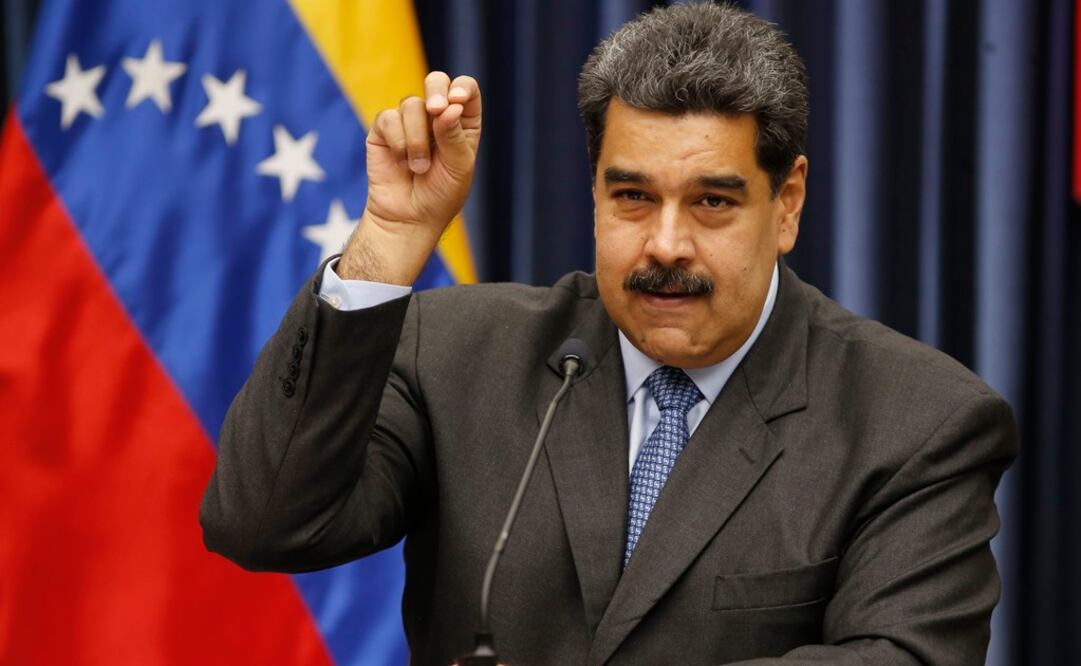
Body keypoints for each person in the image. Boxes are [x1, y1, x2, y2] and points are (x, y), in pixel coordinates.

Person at [200, 4, 1016, 664]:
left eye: (712, 202)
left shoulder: (914, 421)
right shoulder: (455, 354)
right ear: (593, 191)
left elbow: (903, 657)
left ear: (787, 204)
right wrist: (388, 239)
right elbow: (265, 522)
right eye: (631, 197)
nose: (665, 245)